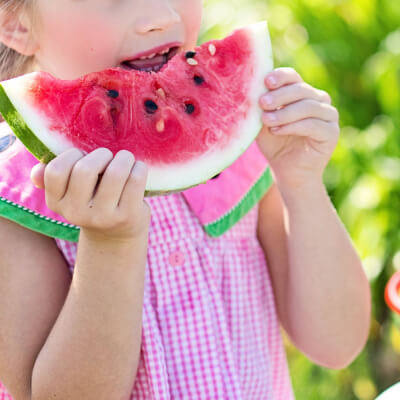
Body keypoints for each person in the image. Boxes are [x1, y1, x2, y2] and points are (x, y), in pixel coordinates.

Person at [0, 1, 371, 399]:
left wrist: (302, 184)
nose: (164, 16)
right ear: (16, 23)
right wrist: (110, 245)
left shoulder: (240, 152)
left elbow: (337, 343)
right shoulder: (16, 201)